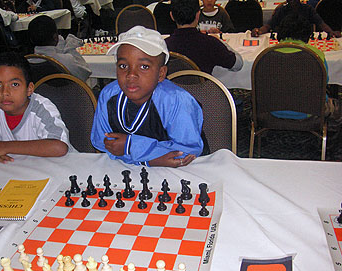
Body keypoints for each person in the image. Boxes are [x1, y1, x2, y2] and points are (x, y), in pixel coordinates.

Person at [91, 25, 209, 168]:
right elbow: (102, 142)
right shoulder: (108, 95)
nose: (131, 75)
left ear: (161, 74)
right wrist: (150, 159)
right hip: (127, 172)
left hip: (182, 172)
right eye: (123, 66)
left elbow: (187, 153)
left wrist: (130, 146)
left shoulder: (176, 100)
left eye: (144, 67)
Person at [165, 0, 242, 75]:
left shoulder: (164, 46)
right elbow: (238, 64)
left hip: (172, 87)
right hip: (203, 87)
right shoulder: (210, 43)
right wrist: (221, 41)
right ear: (198, 15)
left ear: (172, 16)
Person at [28, 15, 92, 82]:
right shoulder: (65, 61)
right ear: (55, 37)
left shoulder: (25, 65)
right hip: (70, 92)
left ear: (30, 39)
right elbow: (85, 73)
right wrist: (70, 49)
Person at [251, 0, 341, 37]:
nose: (293, 2)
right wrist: (259, 31)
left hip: (304, 40)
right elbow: (268, 26)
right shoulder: (281, 10)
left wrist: (331, 32)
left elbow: (321, 24)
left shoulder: (308, 9)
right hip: (285, 40)